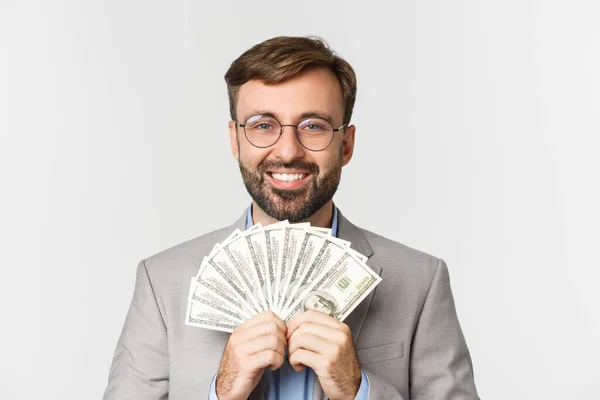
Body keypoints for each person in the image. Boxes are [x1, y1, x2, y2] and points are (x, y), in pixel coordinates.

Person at [103, 36, 480, 400]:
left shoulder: (420, 281)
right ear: (235, 140)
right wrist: (221, 392)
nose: (287, 150)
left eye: (313, 126)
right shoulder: (162, 282)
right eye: (263, 125)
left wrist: (358, 391)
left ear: (345, 144)